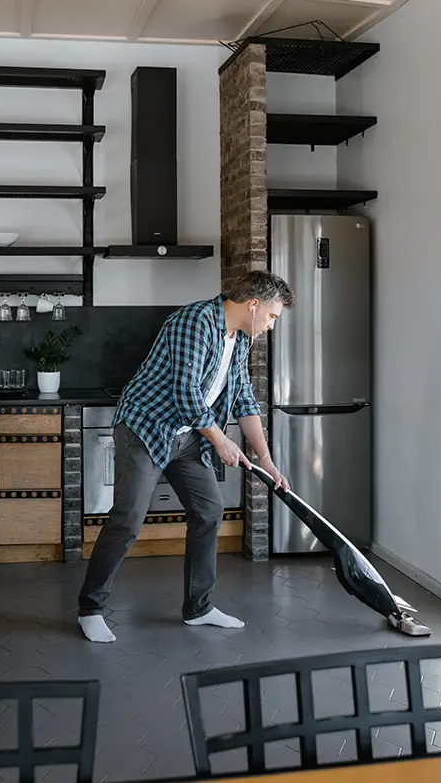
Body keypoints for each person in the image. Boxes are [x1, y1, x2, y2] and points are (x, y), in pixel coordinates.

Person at [77, 269, 295, 643]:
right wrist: (222, 441)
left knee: (209, 510)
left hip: (187, 436)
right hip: (145, 429)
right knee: (128, 520)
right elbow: (186, 393)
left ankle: (199, 608)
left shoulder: (242, 339)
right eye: (273, 316)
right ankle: (90, 608)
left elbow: (243, 398)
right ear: (254, 305)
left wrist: (266, 458)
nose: (272, 326)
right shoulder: (195, 321)